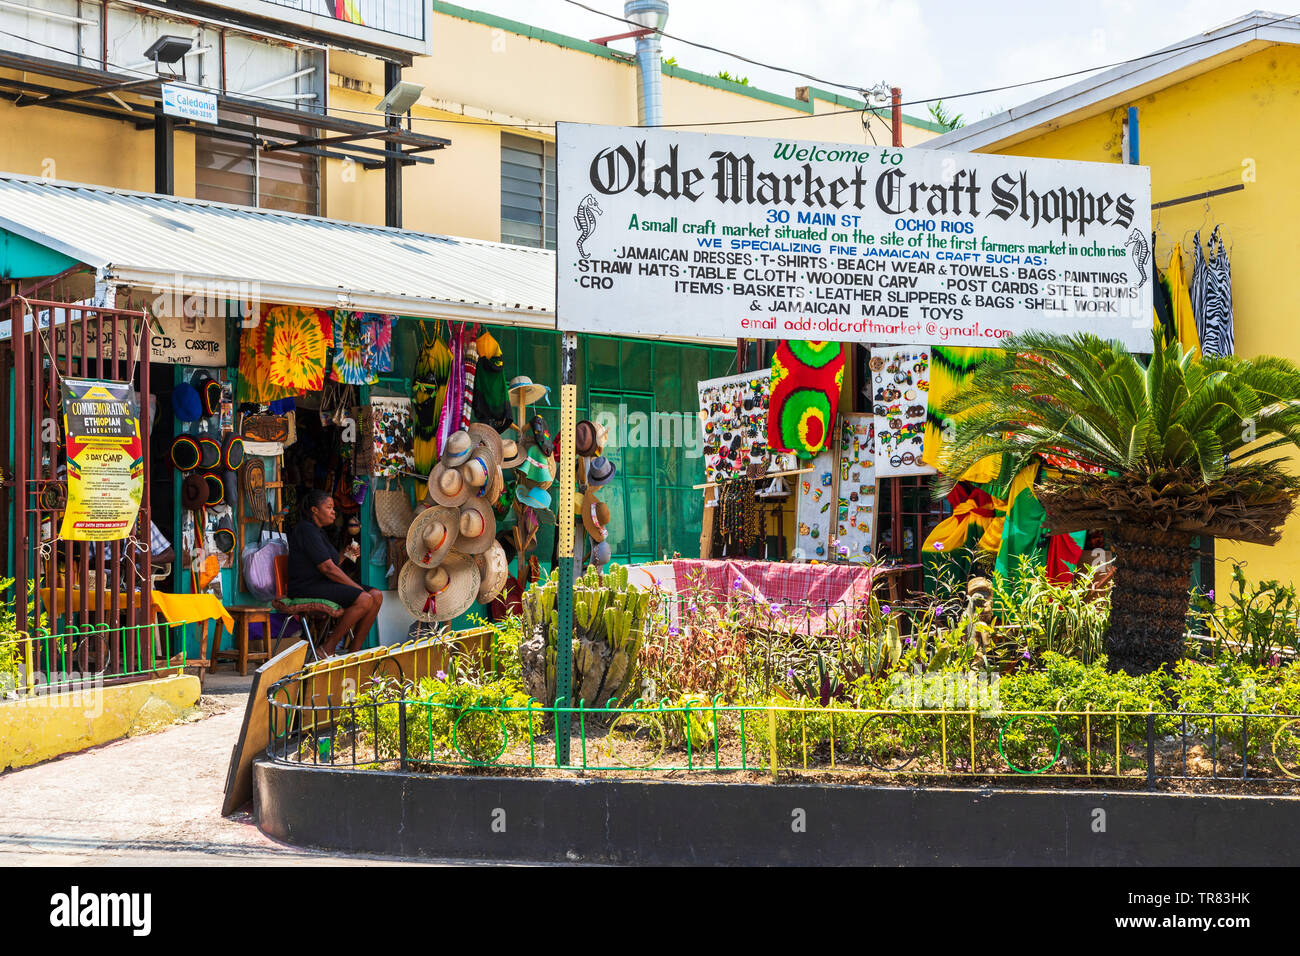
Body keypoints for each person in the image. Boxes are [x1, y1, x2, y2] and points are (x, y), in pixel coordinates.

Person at [288, 489, 383, 656]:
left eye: (333, 508)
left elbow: (329, 563)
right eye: (329, 507)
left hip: (321, 583)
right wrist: (356, 588)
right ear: (315, 510)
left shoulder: (318, 531)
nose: (333, 512)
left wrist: (347, 555)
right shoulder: (306, 530)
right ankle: (327, 648)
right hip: (306, 586)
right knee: (364, 598)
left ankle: (354, 651)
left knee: (376, 595)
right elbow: (327, 569)